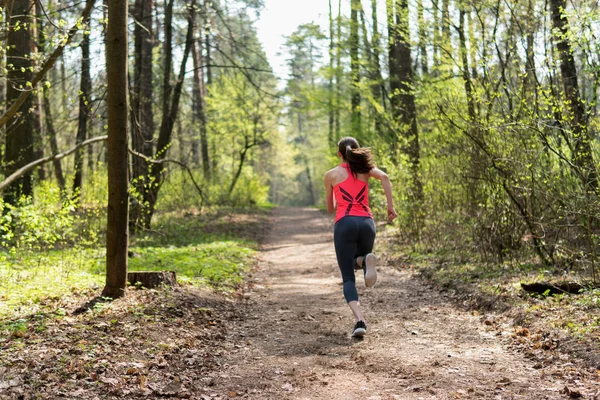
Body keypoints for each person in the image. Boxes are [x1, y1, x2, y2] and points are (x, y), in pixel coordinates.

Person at [323, 137, 397, 337]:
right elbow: (385, 177)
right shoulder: (365, 170)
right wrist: (390, 207)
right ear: (356, 151)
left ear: (339, 154)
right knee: (359, 261)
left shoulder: (331, 175)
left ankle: (359, 321)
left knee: (348, 277)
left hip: (345, 223)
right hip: (367, 223)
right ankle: (365, 259)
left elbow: (330, 209)